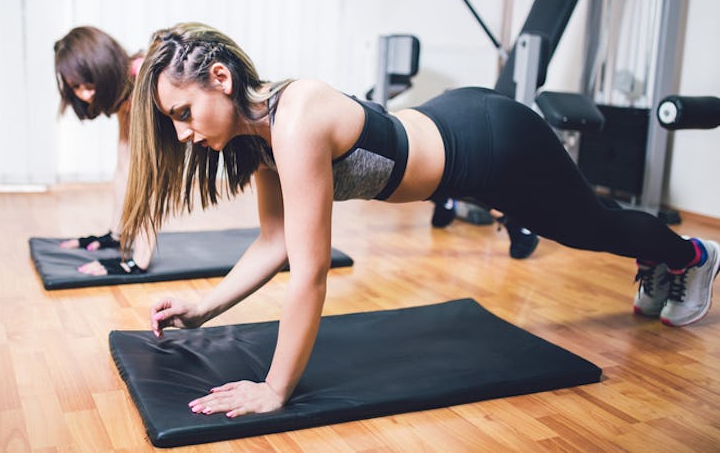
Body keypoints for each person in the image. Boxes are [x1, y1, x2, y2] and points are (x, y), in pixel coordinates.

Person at [119, 22, 719, 418]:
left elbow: (310, 272)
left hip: (490, 145)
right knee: (589, 219)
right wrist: (204, 308)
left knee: (588, 228)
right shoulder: (258, 143)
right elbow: (275, 240)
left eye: (183, 112)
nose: (181, 132)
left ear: (219, 79)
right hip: (453, 132)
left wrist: (274, 390)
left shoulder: (294, 117)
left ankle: (692, 255)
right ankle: (656, 256)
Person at [53, 26, 143, 253]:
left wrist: (138, 260)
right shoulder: (123, 97)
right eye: (76, 87)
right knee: (124, 164)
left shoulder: (142, 77)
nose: (84, 94)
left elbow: (151, 179)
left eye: (88, 82)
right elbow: (125, 168)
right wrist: (116, 235)